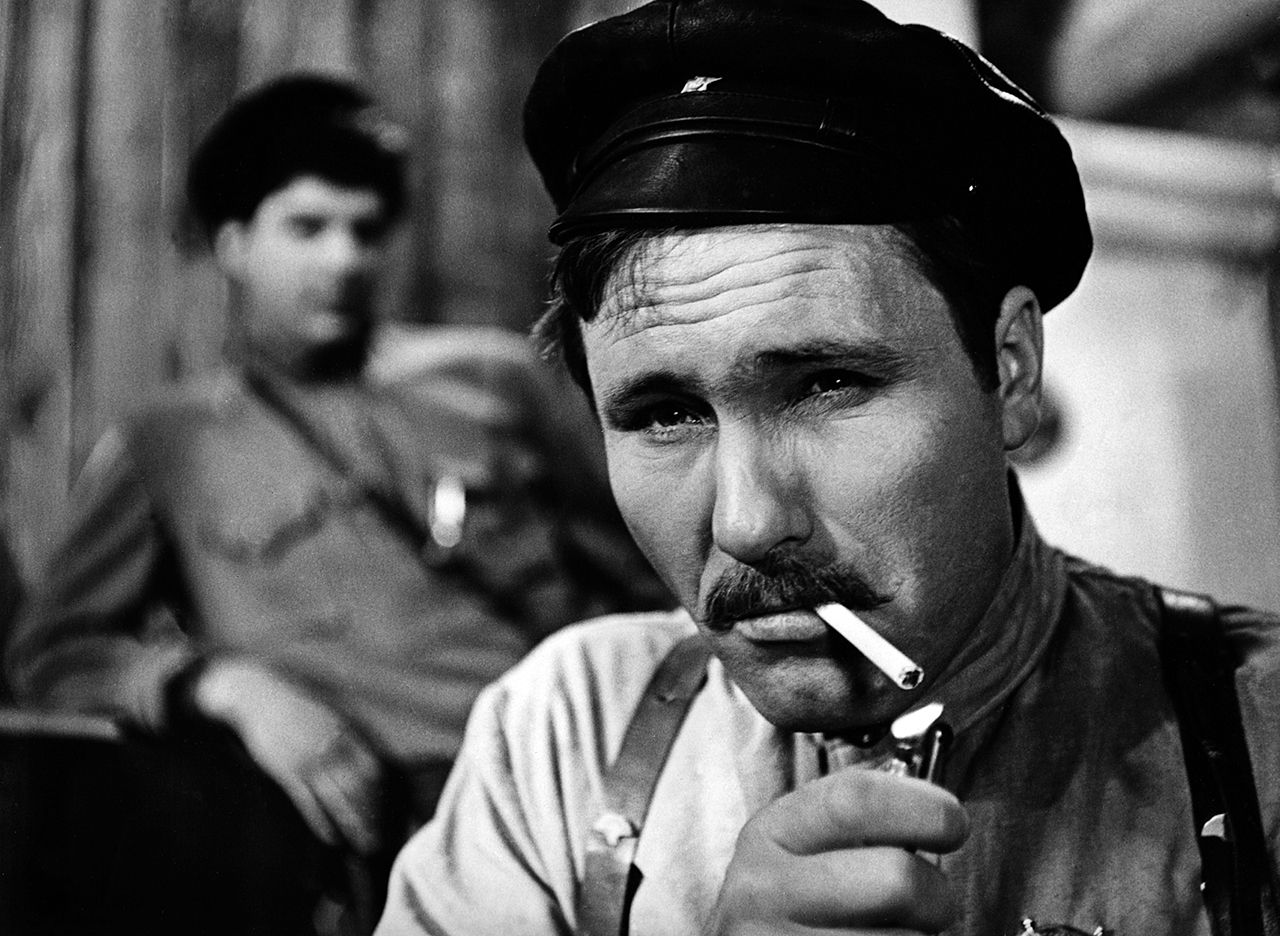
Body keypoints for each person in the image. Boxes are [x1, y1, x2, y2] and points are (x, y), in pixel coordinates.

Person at [376, 3, 1280, 935]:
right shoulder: (562, 744)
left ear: (1009, 370)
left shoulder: (1258, 735)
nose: (746, 524)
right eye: (665, 414)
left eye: (827, 384)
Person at [4, 73, 668, 932]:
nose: (344, 260)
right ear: (235, 244)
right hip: (378, 824)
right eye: (308, 227)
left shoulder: (493, 381)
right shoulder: (168, 443)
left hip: (580, 779)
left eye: (366, 229)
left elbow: (646, 574)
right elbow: (52, 653)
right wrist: (225, 687)